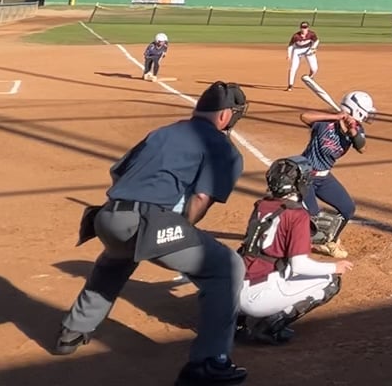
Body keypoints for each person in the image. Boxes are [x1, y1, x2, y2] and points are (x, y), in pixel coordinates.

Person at [56, 82, 250, 386]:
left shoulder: (162, 133)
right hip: (148, 221)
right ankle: (210, 362)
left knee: (116, 259)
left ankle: (72, 331)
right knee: (227, 268)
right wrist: (180, 228)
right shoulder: (221, 146)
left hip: (106, 216)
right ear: (226, 116)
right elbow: (201, 198)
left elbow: (119, 172)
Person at [235, 158, 352, 345]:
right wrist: (334, 267)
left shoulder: (261, 205)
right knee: (331, 282)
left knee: (266, 259)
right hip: (258, 298)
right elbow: (299, 265)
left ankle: (236, 323)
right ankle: (270, 326)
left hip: (233, 289)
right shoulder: (297, 214)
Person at [298, 90, 376, 258]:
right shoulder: (324, 124)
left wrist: (352, 129)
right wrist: (335, 117)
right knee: (313, 217)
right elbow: (304, 116)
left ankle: (330, 241)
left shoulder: (356, 129)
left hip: (324, 177)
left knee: (348, 208)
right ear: (356, 110)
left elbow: (362, 147)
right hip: (305, 176)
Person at [285, 22, 320, 90]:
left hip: (308, 50)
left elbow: (317, 40)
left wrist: (313, 47)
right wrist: (289, 55)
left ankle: (310, 77)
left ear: (308, 28)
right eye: (303, 28)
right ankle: (290, 85)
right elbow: (291, 46)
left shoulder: (311, 34)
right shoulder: (296, 36)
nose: (304, 29)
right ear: (300, 28)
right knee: (293, 68)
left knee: (314, 69)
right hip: (298, 51)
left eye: (305, 28)